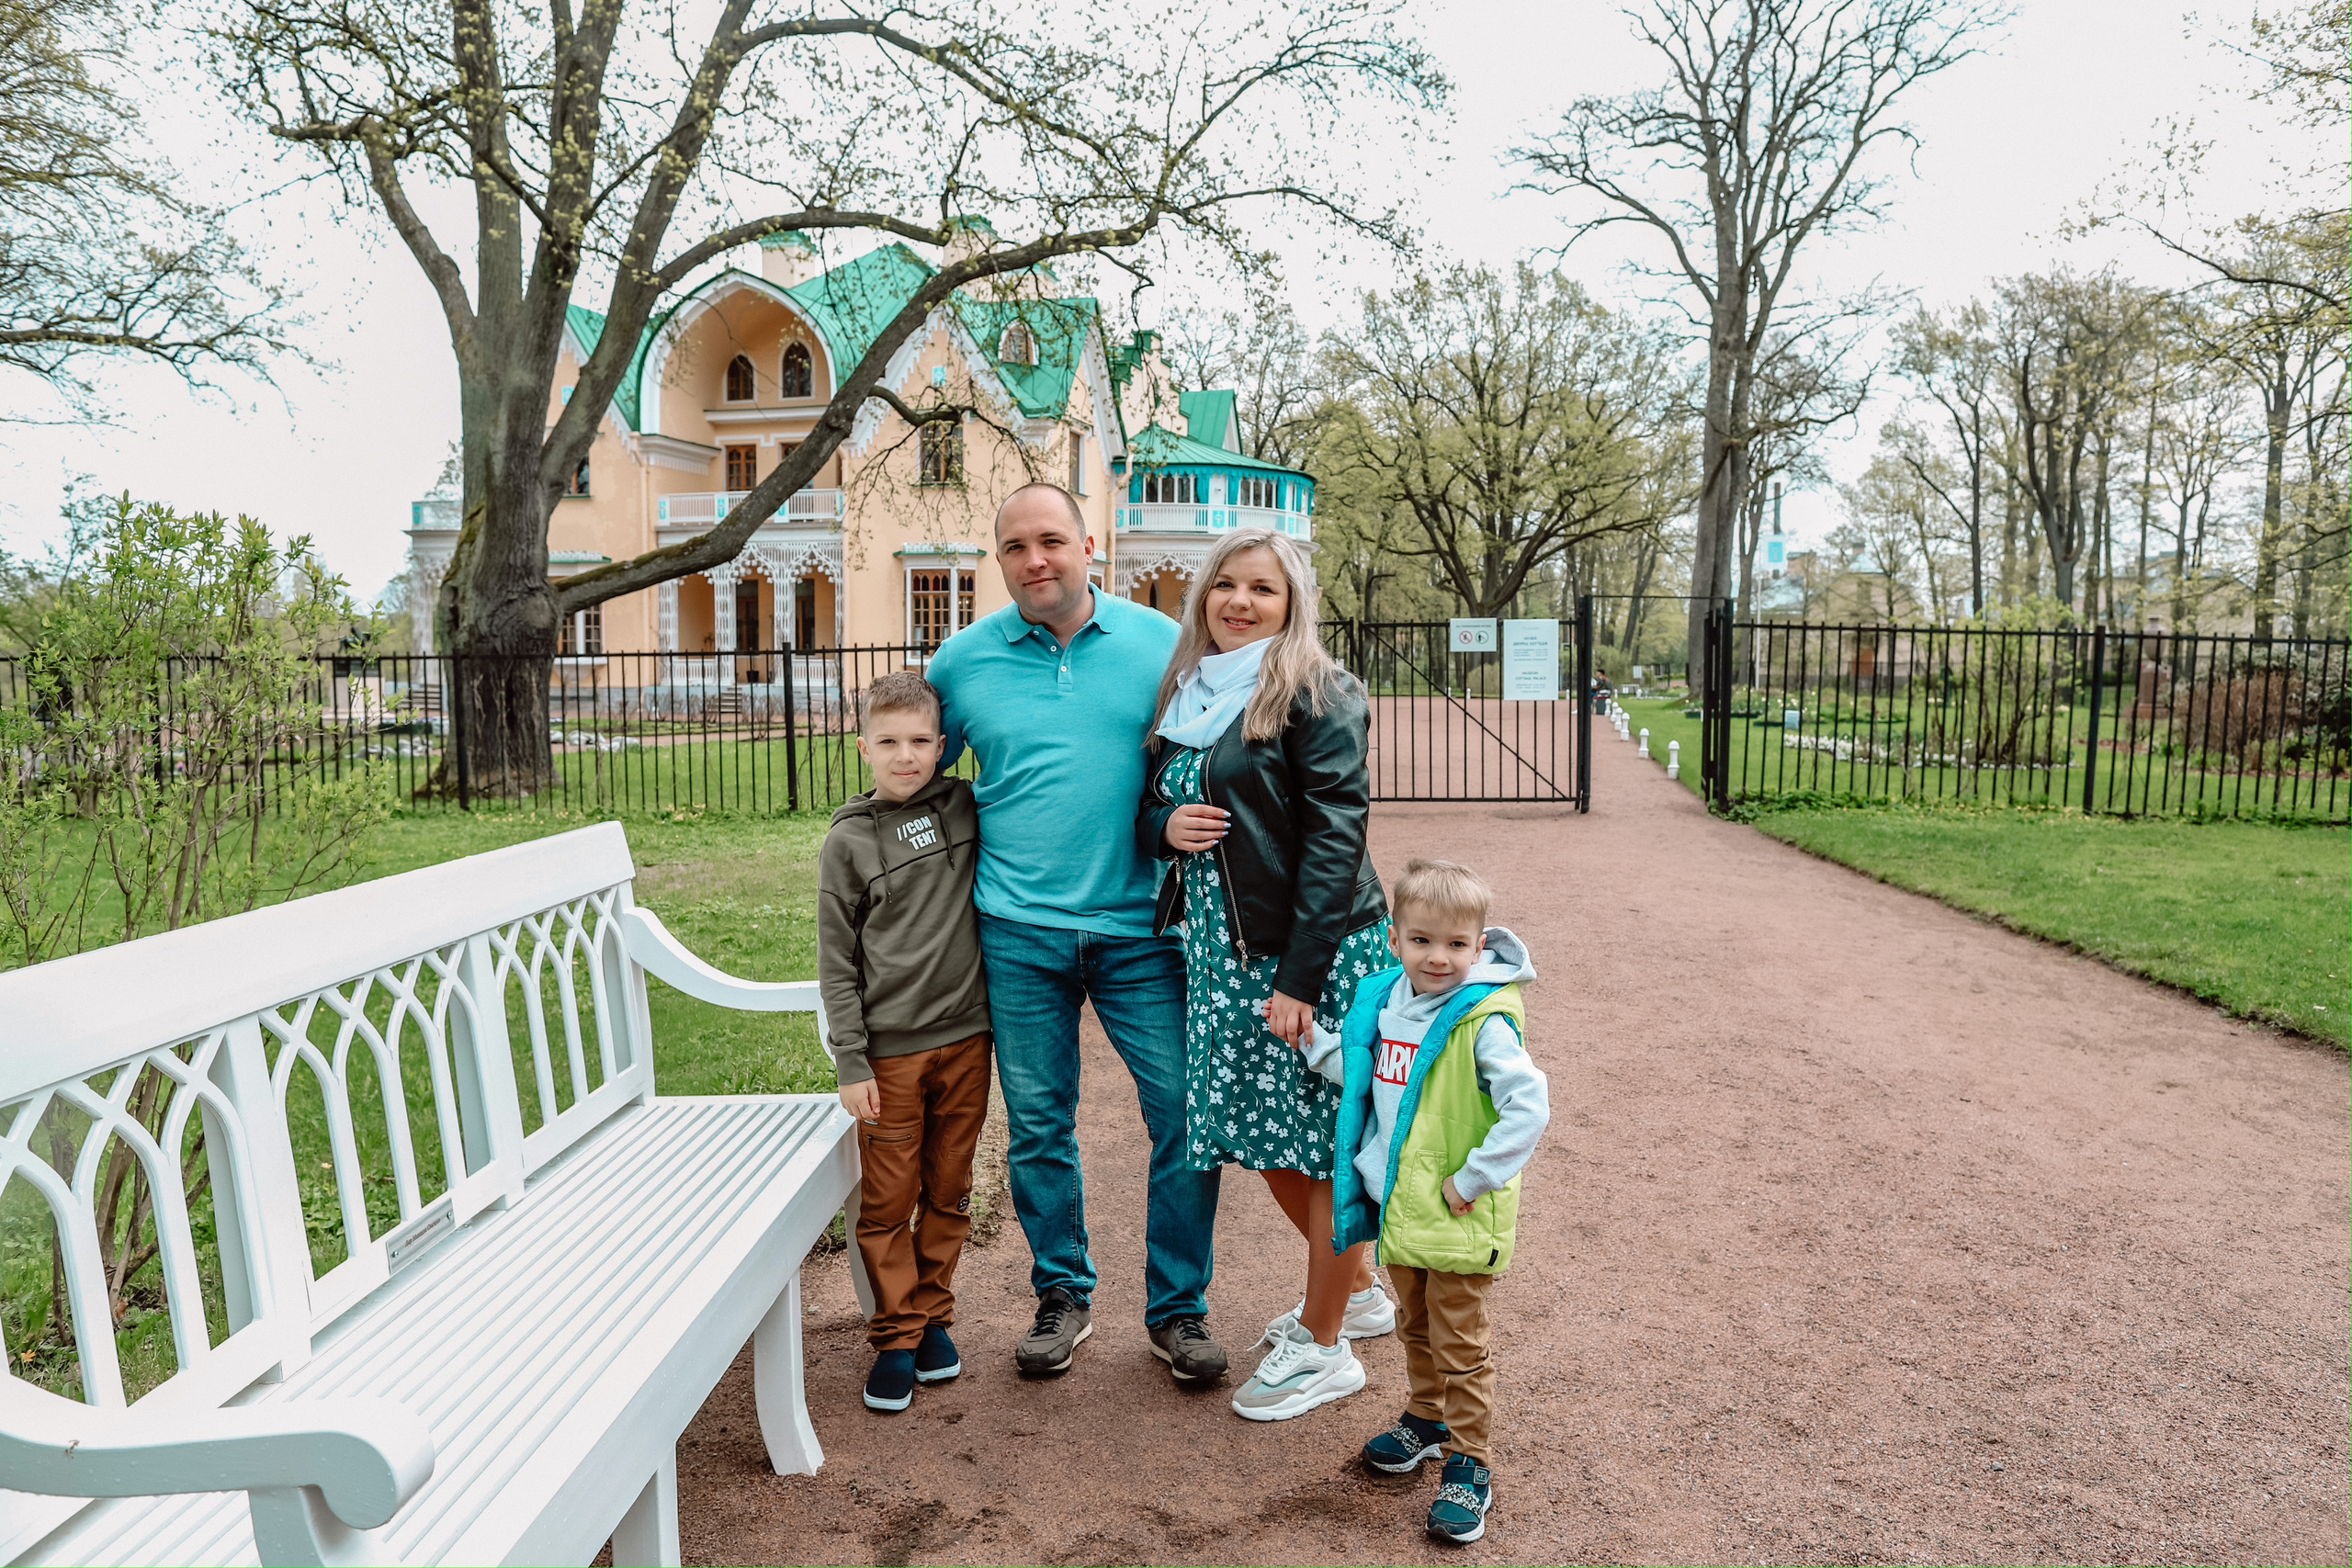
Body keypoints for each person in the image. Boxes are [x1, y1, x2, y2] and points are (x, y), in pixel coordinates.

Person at [926, 482, 1229, 1383]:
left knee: (1182, 1113)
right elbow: (915, 778)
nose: (1036, 561)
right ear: (999, 559)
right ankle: (1062, 1291)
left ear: (1089, 543)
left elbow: (1222, 754)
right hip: (1018, 933)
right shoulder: (961, 664)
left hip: (1142, 927)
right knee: (1037, 1126)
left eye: (1051, 540)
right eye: (1015, 546)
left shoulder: (1162, 646)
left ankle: (1177, 1309)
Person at [1136, 527, 1395, 1422]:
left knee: (1318, 1153)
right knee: (1263, 1136)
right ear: (1203, 595)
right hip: (1218, 957)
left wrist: (1299, 978)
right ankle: (1354, 1293)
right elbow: (1151, 803)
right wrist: (1160, 831)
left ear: (1294, 608)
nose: (1240, 603)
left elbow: (1335, 841)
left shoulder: (1319, 692)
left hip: (1304, 957)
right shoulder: (1190, 691)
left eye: (1263, 590)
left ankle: (1326, 1350)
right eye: (1226, 586)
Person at [1320, 858, 1550, 1545]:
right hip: (1402, 1209)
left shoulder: (1484, 1020)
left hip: (1454, 1213)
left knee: (1461, 1344)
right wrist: (1314, 1044)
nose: (1438, 957)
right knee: (1415, 1326)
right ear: (1395, 939)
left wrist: (1471, 1179)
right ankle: (1426, 1418)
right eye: (1422, 940)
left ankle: (1469, 1462)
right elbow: (1369, 1071)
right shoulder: (1389, 1002)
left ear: (1480, 946)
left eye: (1456, 943)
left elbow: (1528, 1109)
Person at [816, 671, 994, 1414]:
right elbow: (836, 961)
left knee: (949, 1188)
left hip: (967, 1042)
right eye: (888, 741)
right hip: (889, 1054)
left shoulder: (962, 804)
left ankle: (931, 1316)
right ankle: (894, 1335)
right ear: (863, 748)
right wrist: (851, 1058)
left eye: (921, 741)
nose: (906, 755)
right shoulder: (848, 843)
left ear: (944, 746)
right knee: (890, 1197)